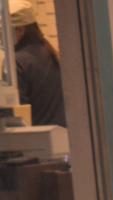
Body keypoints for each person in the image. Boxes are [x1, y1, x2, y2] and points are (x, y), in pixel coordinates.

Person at [10, 0, 65, 128]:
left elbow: (15, 115)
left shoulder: (18, 62)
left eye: (2, 31)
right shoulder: (50, 53)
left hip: (36, 142)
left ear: (20, 30)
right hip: (60, 139)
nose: (1, 37)